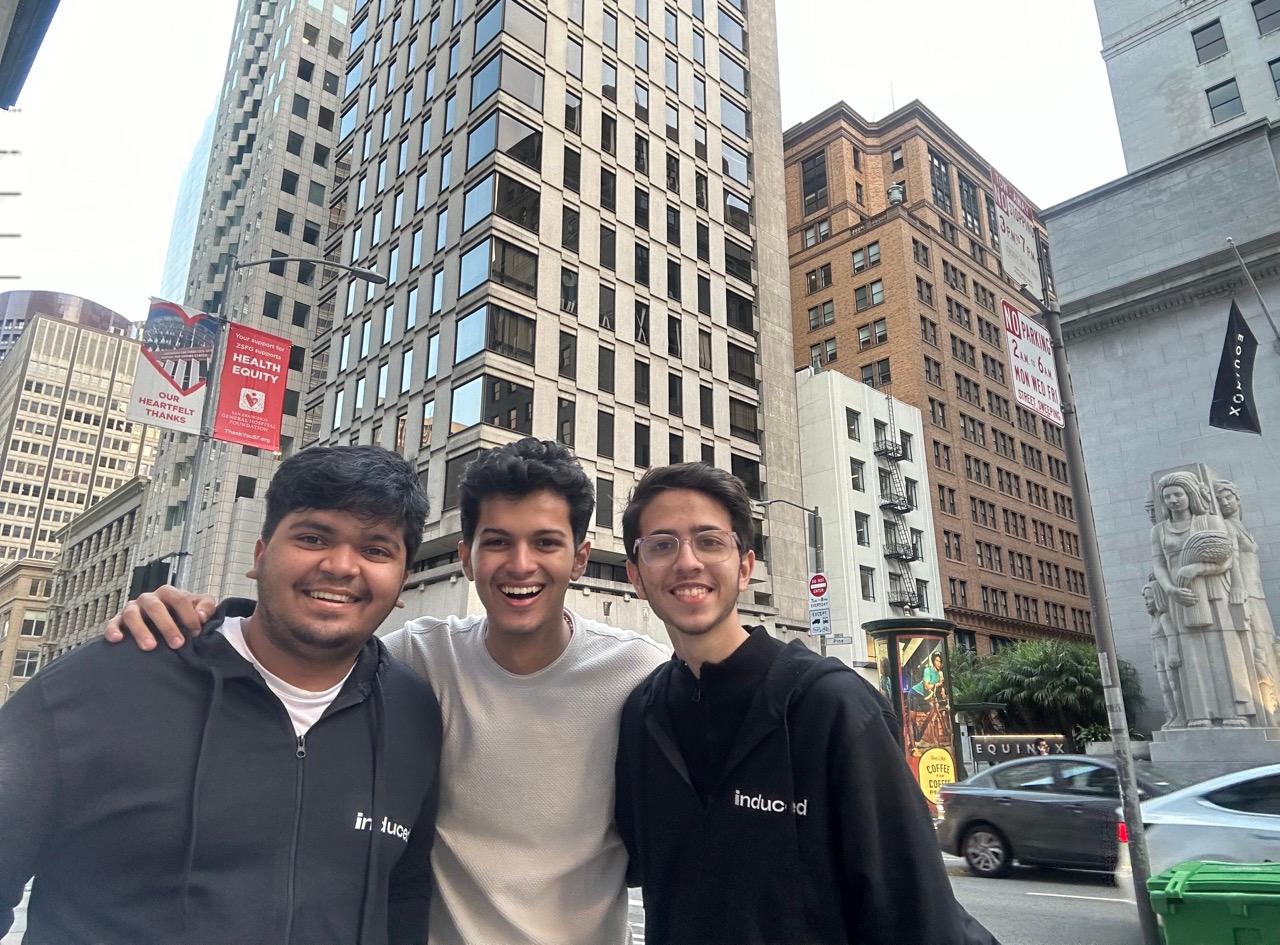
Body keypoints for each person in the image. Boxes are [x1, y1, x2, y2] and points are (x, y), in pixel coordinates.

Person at [106, 438, 667, 945]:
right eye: (497, 542)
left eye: (546, 542)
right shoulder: (413, 658)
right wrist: (196, 622)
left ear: (580, 558)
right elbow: (298, 649)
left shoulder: (638, 673)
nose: (521, 565)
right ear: (467, 557)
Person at [0, 445, 442, 945]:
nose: (341, 566)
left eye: (376, 550)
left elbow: (405, 891)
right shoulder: (103, 682)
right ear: (259, 556)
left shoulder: (413, 713)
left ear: (403, 579)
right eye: (313, 537)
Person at [615, 462, 997, 945]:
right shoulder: (643, 715)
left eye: (710, 541)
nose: (687, 561)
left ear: (746, 566)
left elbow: (917, 916)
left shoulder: (834, 707)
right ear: (635, 575)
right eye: (662, 545)